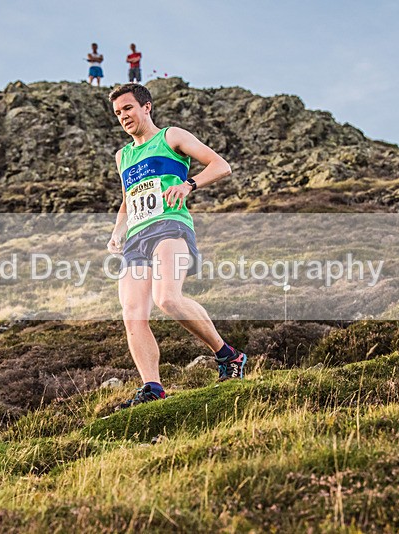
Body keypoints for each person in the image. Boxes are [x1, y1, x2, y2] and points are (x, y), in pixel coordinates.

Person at [107, 83, 248, 410]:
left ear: (146, 107)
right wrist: (117, 231)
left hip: (170, 226)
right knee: (133, 315)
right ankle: (152, 388)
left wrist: (189, 184)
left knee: (167, 299)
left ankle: (228, 356)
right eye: (117, 113)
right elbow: (128, 199)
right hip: (136, 239)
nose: (123, 116)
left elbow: (220, 165)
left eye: (128, 108)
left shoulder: (171, 136)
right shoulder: (123, 155)